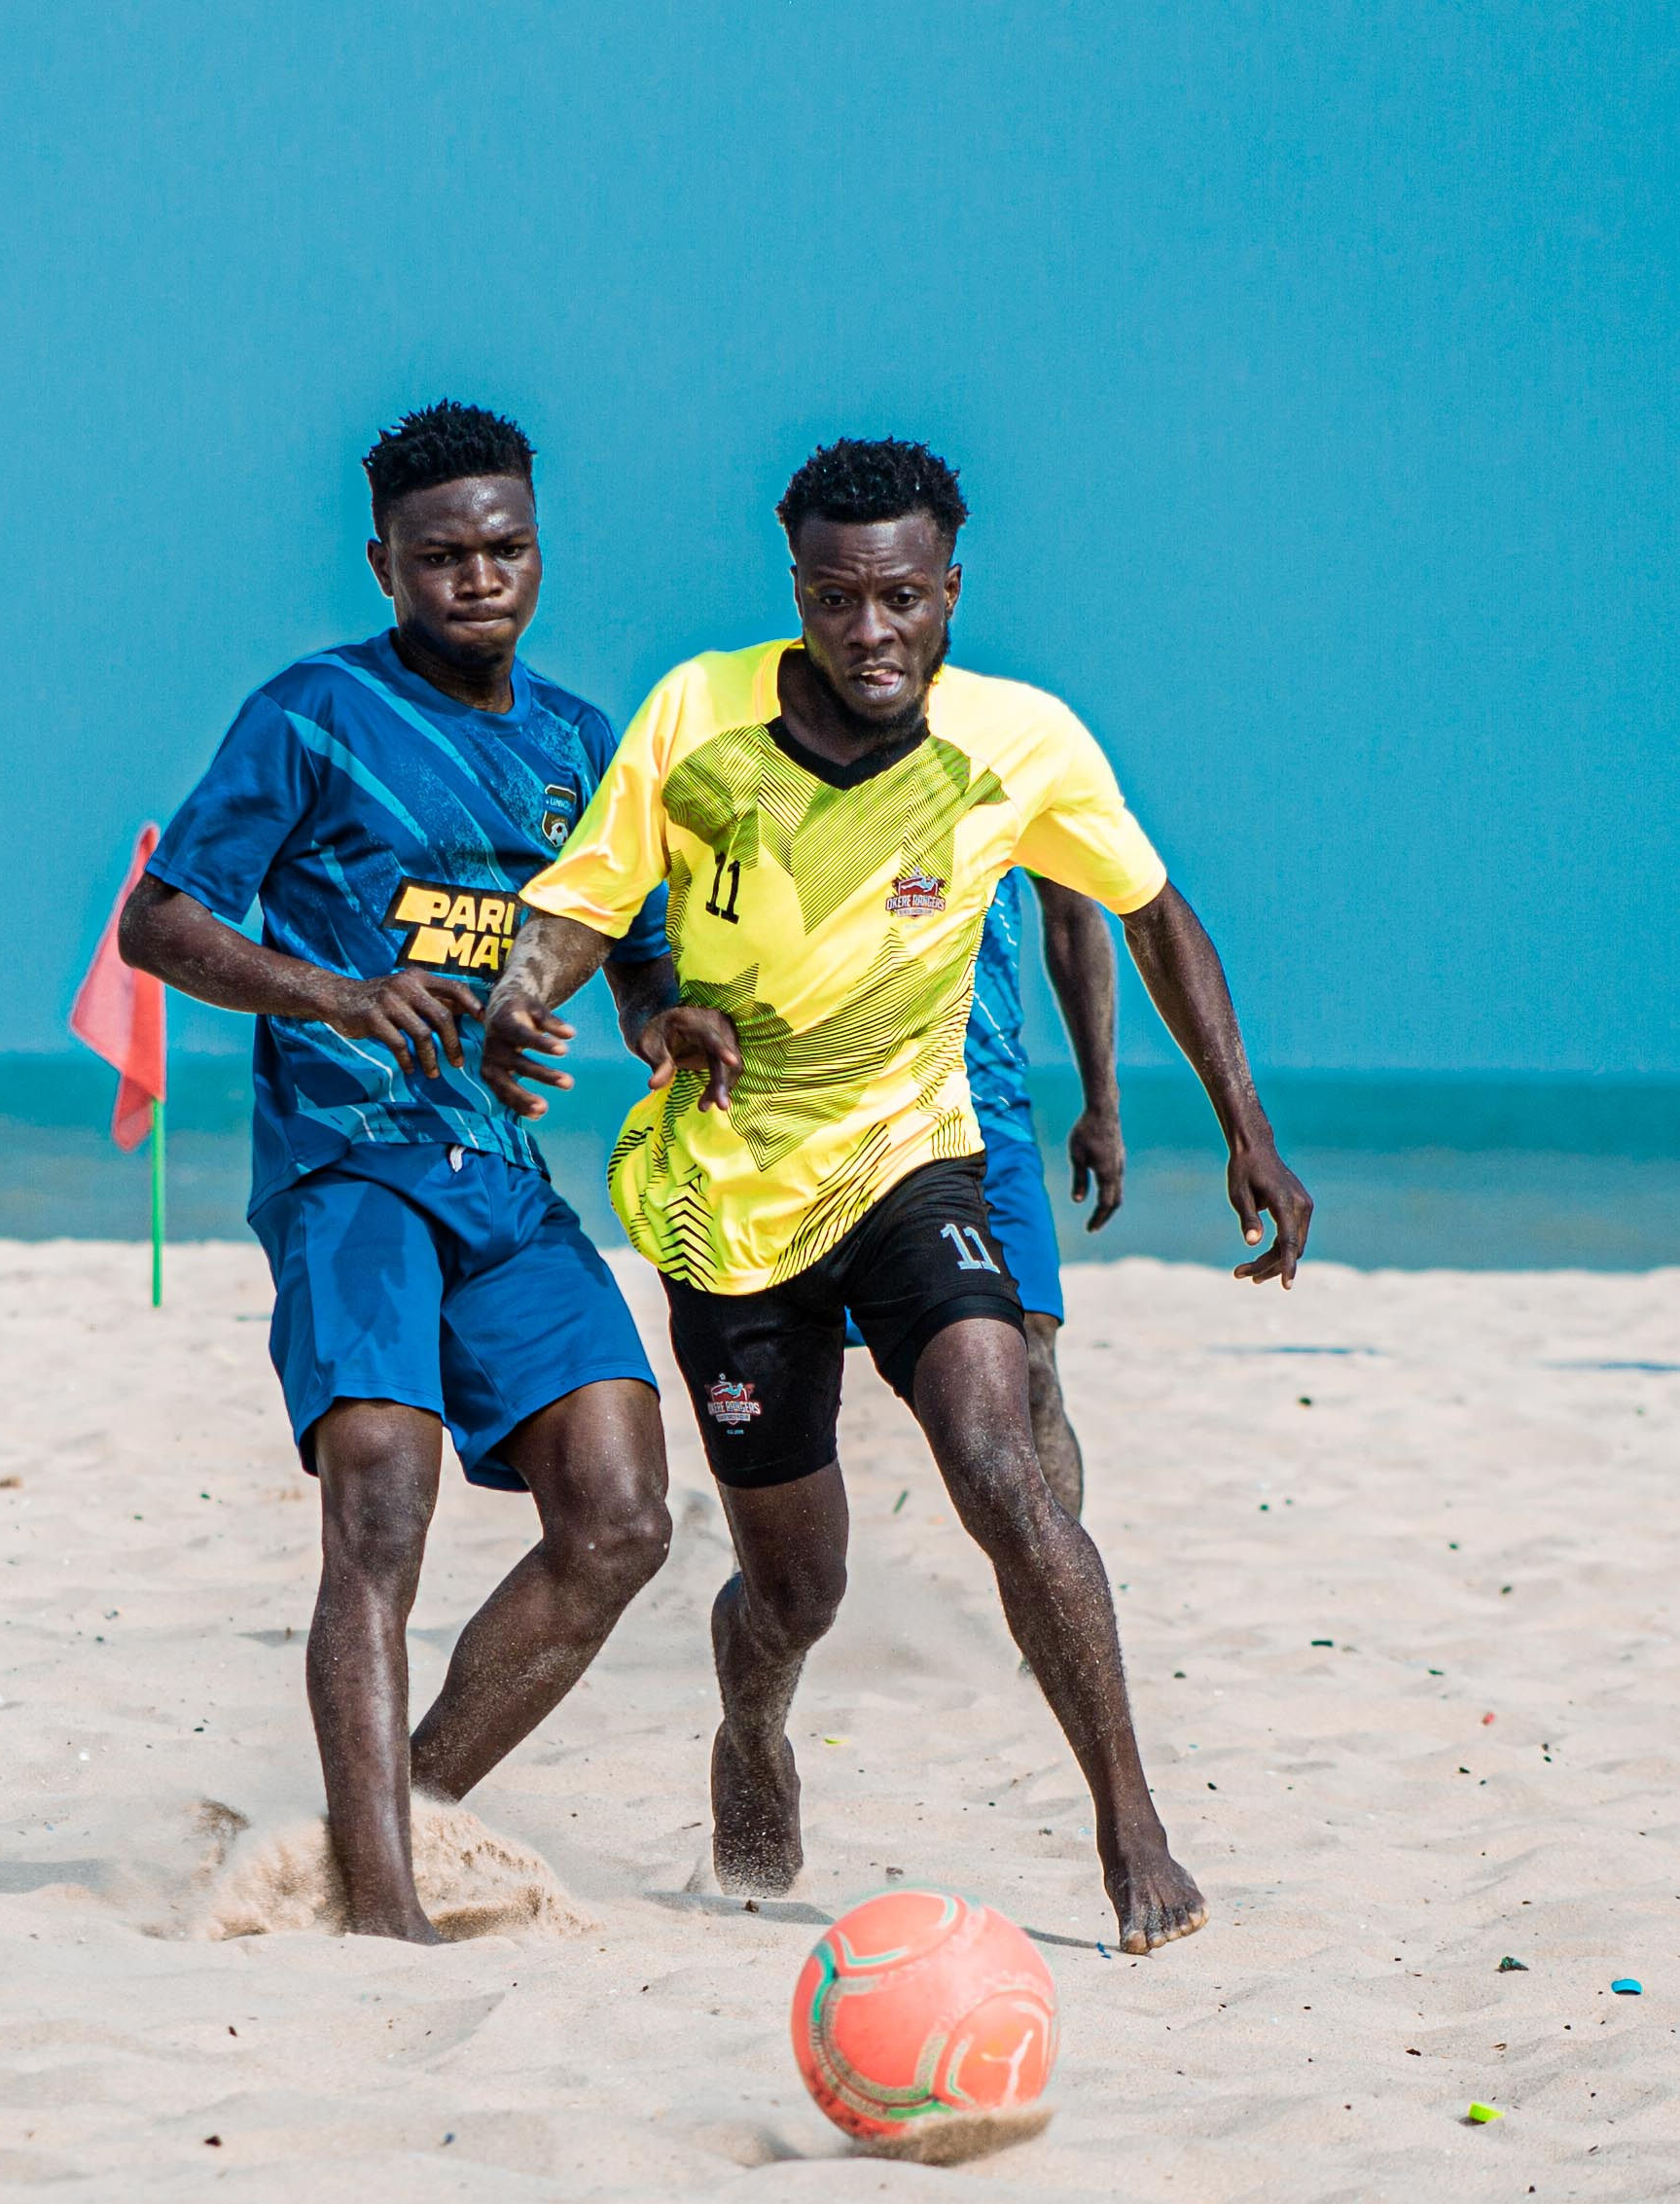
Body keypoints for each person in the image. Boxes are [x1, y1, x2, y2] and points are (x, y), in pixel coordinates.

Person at [483, 437, 1312, 1954]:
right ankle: (752, 1727)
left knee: (1004, 1461)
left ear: (950, 588)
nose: (871, 634)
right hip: (726, 1194)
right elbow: (578, 915)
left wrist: (1239, 1127)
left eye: (903, 600)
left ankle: (1130, 1824)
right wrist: (515, 1001)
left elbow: (1147, 913)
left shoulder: (1022, 740)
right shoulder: (696, 713)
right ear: (792, 585)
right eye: (836, 598)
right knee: (795, 1584)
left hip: (913, 1156)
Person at [119, 401, 677, 1943]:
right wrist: (337, 992)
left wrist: (664, 1018)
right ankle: (381, 1908)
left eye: (502, 548)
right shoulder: (308, 714)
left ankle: (385, 1812)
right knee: (381, 1500)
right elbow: (157, 926)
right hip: (348, 1170)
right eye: (439, 555)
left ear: (537, 552)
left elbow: (628, 947)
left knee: (623, 1516)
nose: (475, 577)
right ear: (384, 564)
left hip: (500, 1179)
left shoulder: (580, 742)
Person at [854, 869, 1124, 1517]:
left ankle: (1061, 1602)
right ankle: (776, 1587)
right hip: (825, 1107)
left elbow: (1072, 914)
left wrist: (1102, 1105)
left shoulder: (1015, 765)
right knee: (797, 1376)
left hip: (985, 1108)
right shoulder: (780, 765)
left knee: (1031, 1360)